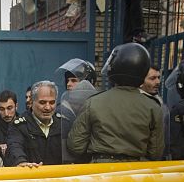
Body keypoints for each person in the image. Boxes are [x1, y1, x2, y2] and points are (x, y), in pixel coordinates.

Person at [67, 43, 164, 172]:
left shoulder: (94, 102)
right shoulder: (153, 107)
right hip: (136, 174)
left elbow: (75, 146)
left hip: (101, 172)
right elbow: (156, 152)